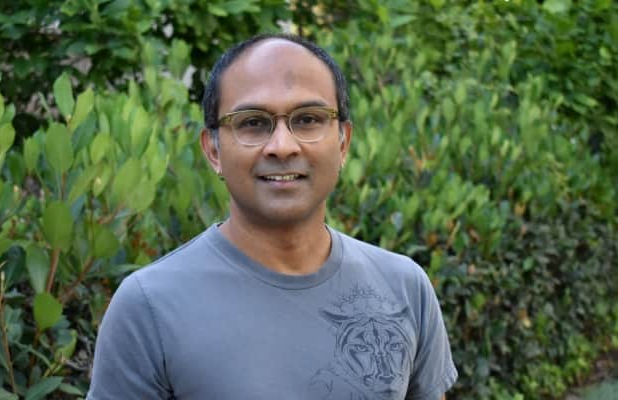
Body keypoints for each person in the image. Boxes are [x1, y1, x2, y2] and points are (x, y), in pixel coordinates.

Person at [87, 33, 457, 400]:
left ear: (343, 142)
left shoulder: (404, 287)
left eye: (308, 119)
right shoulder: (149, 306)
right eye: (252, 122)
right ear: (213, 150)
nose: (282, 146)